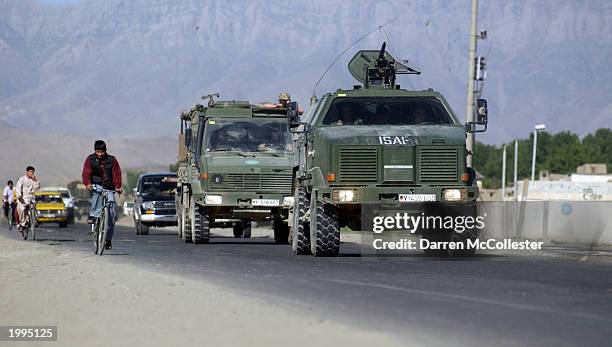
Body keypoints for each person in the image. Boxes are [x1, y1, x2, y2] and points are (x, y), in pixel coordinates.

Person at [81, 140, 123, 250]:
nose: (100, 154)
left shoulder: (112, 160)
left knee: (111, 211)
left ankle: (108, 240)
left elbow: (116, 174)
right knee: (97, 195)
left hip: (109, 187)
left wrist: (118, 186)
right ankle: (93, 216)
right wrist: (88, 183)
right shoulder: (90, 159)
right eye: (98, 151)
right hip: (96, 184)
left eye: (102, 152)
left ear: (105, 151)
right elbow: (86, 173)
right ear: (95, 151)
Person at [15, 167, 40, 236]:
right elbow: (18, 188)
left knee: (35, 207)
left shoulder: (33, 180)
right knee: (21, 209)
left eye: (32, 172)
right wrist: (19, 196)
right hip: (23, 198)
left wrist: (35, 181)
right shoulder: (22, 179)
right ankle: (23, 223)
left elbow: (37, 188)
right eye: (30, 171)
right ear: (27, 172)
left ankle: (34, 220)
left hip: (31, 197)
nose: (31, 173)